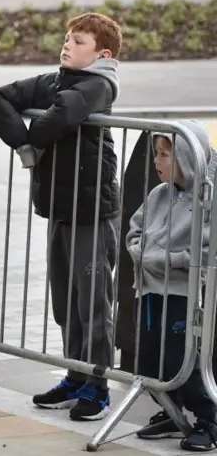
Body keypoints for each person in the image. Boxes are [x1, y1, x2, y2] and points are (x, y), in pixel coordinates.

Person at [0, 12, 122, 421]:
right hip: (60, 210)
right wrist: (25, 146)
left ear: (102, 54)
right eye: (66, 38)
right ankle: (75, 374)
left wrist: (33, 136)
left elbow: (62, 114)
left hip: (92, 212)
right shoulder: (56, 79)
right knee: (65, 302)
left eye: (78, 41)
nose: (67, 45)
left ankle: (97, 387)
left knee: (93, 305)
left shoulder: (99, 85)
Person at [126, 121, 217, 452]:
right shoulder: (158, 194)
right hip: (148, 291)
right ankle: (171, 411)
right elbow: (135, 230)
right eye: (156, 153)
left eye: (166, 155)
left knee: (184, 362)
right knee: (150, 361)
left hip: (183, 294)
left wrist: (171, 260)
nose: (157, 161)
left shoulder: (208, 200)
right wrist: (139, 252)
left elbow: (206, 251)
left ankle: (209, 420)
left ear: (187, 158)